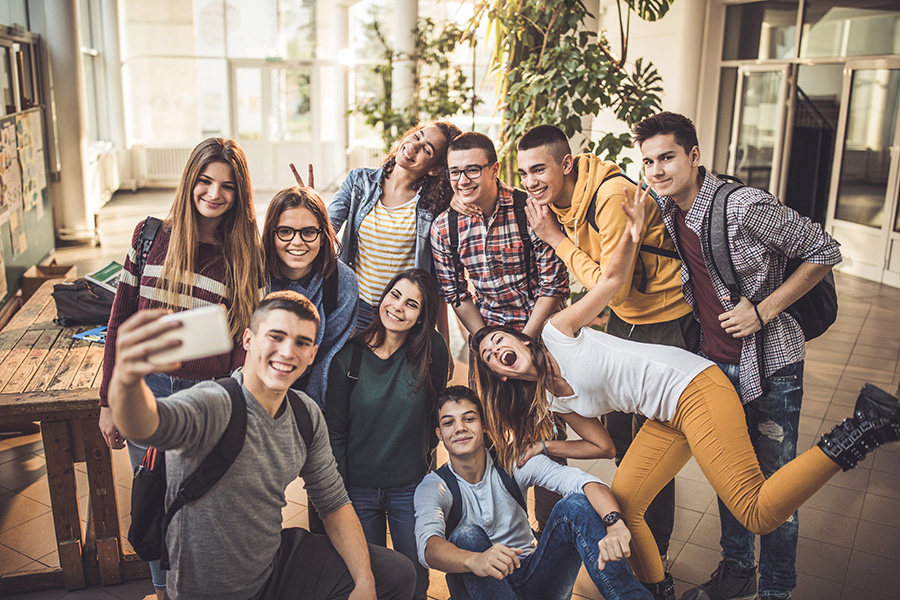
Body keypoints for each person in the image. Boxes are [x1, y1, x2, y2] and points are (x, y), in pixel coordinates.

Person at [472, 184, 900, 600]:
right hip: (665, 415)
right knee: (626, 504)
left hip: (694, 389)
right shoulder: (553, 400)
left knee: (755, 509)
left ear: (520, 340)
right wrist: (545, 444)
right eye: (490, 354)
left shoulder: (558, 332)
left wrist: (634, 233)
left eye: (499, 340)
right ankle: (659, 592)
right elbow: (602, 446)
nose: (497, 349)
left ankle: (860, 428)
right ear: (500, 374)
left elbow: (614, 278)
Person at [631, 111, 842, 600]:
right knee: (734, 477)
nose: (657, 170)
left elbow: (825, 249)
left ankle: (777, 589)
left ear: (694, 156)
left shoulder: (744, 205)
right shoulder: (668, 208)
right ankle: (736, 571)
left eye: (667, 157)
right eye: (648, 162)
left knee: (774, 487)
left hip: (771, 365)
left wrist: (763, 311)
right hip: (714, 365)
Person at [107, 290, 416, 600]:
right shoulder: (213, 404)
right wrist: (128, 377)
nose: (287, 351)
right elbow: (145, 424)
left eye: (301, 342)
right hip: (206, 590)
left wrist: (365, 583)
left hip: (271, 568)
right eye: (275, 336)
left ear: (312, 354)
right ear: (248, 340)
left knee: (395, 574)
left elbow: (334, 502)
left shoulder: (305, 414)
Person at [516, 124, 697, 566]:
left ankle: (656, 550)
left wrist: (555, 240)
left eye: (539, 169)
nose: (531, 182)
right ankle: (634, 534)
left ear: (567, 163)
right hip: (626, 320)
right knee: (621, 436)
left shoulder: (611, 197)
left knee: (648, 443)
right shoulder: (562, 204)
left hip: (663, 322)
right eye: (523, 173)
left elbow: (611, 286)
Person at [97, 137, 264, 599]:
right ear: (190, 180)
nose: (214, 193)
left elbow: (239, 345)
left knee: (200, 506)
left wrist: (235, 406)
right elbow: (120, 323)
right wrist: (108, 400)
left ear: (240, 193)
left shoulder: (244, 252)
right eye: (205, 181)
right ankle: (162, 591)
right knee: (153, 499)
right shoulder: (149, 236)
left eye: (227, 186)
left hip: (204, 396)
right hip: (145, 390)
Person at [432, 131, 571, 533]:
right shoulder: (446, 227)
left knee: (550, 437)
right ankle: (502, 527)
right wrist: (484, 344)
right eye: (455, 172)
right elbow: (456, 293)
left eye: (473, 169)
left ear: (495, 169)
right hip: (487, 342)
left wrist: (524, 342)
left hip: (540, 338)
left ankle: (553, 530)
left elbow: (553, 284)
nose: (463, 180)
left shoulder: (531, 209)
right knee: (488, 436)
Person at [413, 385, 652, 600]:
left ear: (484, 425)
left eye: (468, 419)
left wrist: (615, 524)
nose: (460, 428)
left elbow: (585, 483)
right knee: (466, 536)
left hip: (532, 576)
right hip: (477, 585)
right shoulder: (434, 485)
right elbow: (428, 547)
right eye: (448, 422)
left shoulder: (513, 461)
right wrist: (475, 560)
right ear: (439, 434)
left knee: (576, 505)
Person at [325, 269, 448, 600]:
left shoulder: (432, 350)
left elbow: (436, 411)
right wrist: (340, 494)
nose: (398, 307)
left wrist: (423, 451)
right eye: (394, 295)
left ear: (422, 315)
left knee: (414, 577)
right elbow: (334, 432)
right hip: (358, 489)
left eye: (412, 304)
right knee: (370, 578)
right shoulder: (348, 358)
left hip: (410, 486)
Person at [325, 121, 461, 338]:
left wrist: (442, 339)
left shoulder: (433, 207)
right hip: (354, 307)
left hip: (401, 315)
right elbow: (327, 229)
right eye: (417, 136)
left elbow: (435, 281)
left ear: (435, 168)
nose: (415, 146)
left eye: (427, 150)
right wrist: (308, 206)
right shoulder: (359, 182)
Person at [263, 185, 358, 405]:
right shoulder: (253, 274)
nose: (297, 242)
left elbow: (328, 356)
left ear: (323, 236)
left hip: (309, 394)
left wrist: (307, 411)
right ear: (271, 234)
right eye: (285, 231)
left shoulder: (343, 283)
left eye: (308, 232)